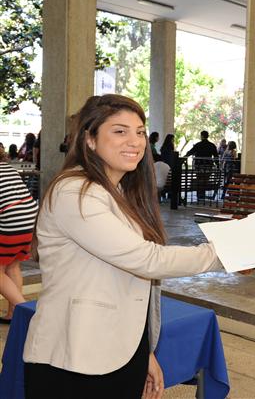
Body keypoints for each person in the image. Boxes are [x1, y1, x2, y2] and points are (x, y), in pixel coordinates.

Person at [22, 94, 227, 398]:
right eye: (120, 131)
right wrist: (227, 253)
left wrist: (144, 352)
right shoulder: (74, 192)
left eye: (140, 132)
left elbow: (126, 281)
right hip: (75, 358)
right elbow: (148, 260)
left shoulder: (117, 191)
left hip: (119, 350)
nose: (135, 141)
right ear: (90, 139)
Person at [0, 162, 39, 323]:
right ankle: (13, 313)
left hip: (11, 224)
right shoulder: (7, 167)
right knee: (13, 266)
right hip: (30, 222)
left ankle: (27, 312)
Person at [186, 131, 219, 201]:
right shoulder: (212, 145)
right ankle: (202, 195)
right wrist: (218, 165)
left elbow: (190, 152)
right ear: (208, 136)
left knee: (199, 179)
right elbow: (216, 156)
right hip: (208, 166)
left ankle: (199, 195)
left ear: (202, 136)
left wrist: (184, 157)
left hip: (199, 165)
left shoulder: (198, 145)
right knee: (205, 180)